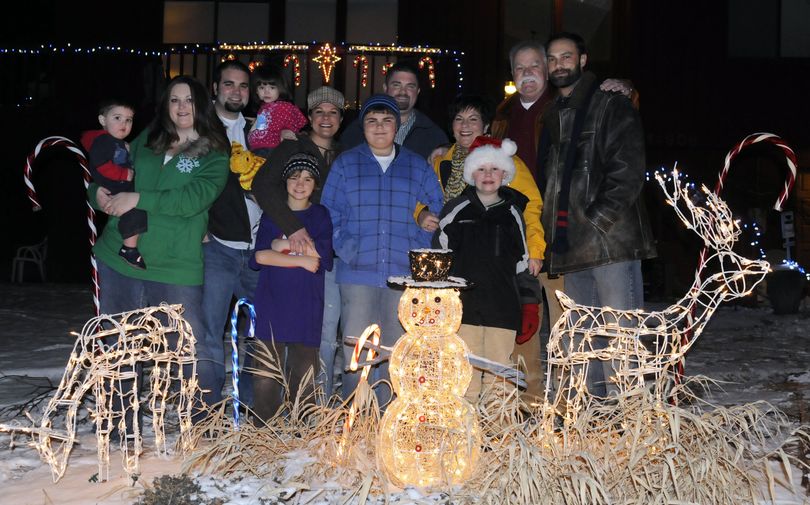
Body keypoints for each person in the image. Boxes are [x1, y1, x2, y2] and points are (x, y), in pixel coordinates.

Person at [490, 39, 636, 400]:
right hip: (514, 236)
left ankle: (574, 396)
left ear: (548, 72)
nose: (528, 74)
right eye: (519, 68)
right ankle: (531, 398)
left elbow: (614, 122)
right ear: (512, 74)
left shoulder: (566, 107)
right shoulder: (500, 118)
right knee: (523, 323)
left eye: (535, 66)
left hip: (560, 233)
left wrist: (627, 89)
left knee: (568, 321)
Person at [91, 75, 230, 413]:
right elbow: (109, 174)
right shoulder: (146, 141)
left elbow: (191, 200)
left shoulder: (215, 154)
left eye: (189, 100)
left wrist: (138, 198)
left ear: (202, 104)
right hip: (120, 258)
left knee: (188, 348)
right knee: (118, 343)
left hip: (174, 266)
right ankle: (117, 419)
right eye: (174, 100)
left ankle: (202, 421)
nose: (182, 107)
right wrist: (96, 194)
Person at [542, 32, 656, 397]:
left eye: (566, 56)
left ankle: (630, 419)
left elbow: (628, 168)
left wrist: (597, 219)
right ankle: (593, 416)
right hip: (573, 245)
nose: (559, 64)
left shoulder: (609, 102)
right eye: (553, 58)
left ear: (583, 60)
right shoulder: (554, 113)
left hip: (609, 244)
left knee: (620, 335)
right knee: (583, 336)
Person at [321, 94, 444, 403]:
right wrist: (348, 249)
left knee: (393, 347)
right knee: (357, 347)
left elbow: (435, 206)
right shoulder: (347, 163)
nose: (379, 128)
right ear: (363, 127)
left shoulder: (415, 165)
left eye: (387, 121)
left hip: (401, 272)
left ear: (397, 125)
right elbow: (329, 211)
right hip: (357, 271)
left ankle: (387, 412)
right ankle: (354, 411)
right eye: (372, 121)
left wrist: (418, 242)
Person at [252, 86, 346, 398]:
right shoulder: (292, 148)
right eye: (319, 111)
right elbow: (263, 186)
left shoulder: (345, 155)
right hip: (292, 241)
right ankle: (268, 413)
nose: (326, 118)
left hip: (325, 248)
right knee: (277, 346)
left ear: (342, 118)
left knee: (322, 336)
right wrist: (291, 230)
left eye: (333, 112)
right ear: (309, 116)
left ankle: (312, 408)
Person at [435, 137, 530, 403]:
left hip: (503, 308)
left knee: (500, 371)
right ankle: (467, 432)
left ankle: (498, 435)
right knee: (466, 369)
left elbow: (522, 261)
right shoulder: (456, 210)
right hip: (464, 308)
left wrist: (529, 303)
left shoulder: (512, 213)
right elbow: (440, 257)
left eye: (494, 169)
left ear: (505, 174)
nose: (488, 175)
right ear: (470, 174)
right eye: (481, 169)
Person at [250, 153, 333, 421]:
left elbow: (322, 258)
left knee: (304, 372)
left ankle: (301, 429)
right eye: (295, 177)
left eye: (308, 178)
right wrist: (299, 256)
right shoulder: (272, 215)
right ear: (285, 181)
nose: (300, 183)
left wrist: (279, 246)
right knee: (266, 372)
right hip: (271, 304)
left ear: (315, 185)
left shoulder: (320, 215)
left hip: (306, 306)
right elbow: (260, 257)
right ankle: (265, 428)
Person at [201, 59, 260, 408]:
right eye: (229, 84)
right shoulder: (200, 129)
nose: (236, 91)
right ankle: (205, 410)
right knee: (210, 332)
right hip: (217, 246)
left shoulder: (259, 130)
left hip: (256, 249)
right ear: (215, 88)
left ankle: (252, 408)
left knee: (254, 333)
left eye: (242, 86)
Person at [81, 99, 147, 269]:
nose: (124, 123)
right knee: (134, 209)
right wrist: (124, 174)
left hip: (118, 183)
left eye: (129, 120)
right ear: (103, 120)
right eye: (117, 118)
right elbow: (101, 165)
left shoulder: (117, 142)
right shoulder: (103, 141)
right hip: (114, 184)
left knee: (135, 206)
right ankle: (129, 249)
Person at [339, 61, 448, 161]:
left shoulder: (435, 136)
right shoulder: (355, 131)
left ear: (418, 91)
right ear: (385, 88)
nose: (403, 92)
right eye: (396, 85)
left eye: (410, 86)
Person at [246, 64, 307, 156]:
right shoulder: (264, 107)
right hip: (257, 148)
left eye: (272, 88)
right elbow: (264, 125)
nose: (266, 92)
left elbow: (293, 120)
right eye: (262, 88)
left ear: (280, 88)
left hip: (270, 149)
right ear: (256, 90)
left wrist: (287, 130)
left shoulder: (283, 106)